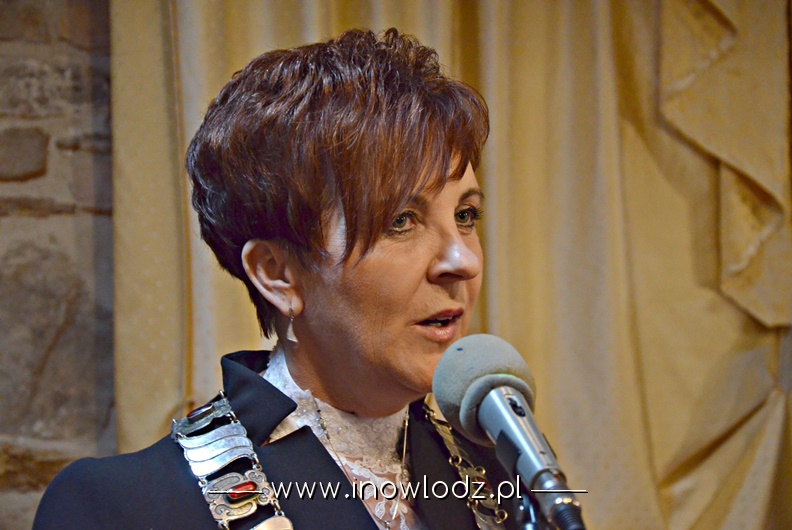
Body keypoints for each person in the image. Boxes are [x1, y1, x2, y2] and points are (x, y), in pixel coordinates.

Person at [34, 28, 523, 530]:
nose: (462, 260)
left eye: (465, 215)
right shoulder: (120, 507)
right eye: (401, 220)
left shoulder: (506, 471)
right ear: (277, 275)